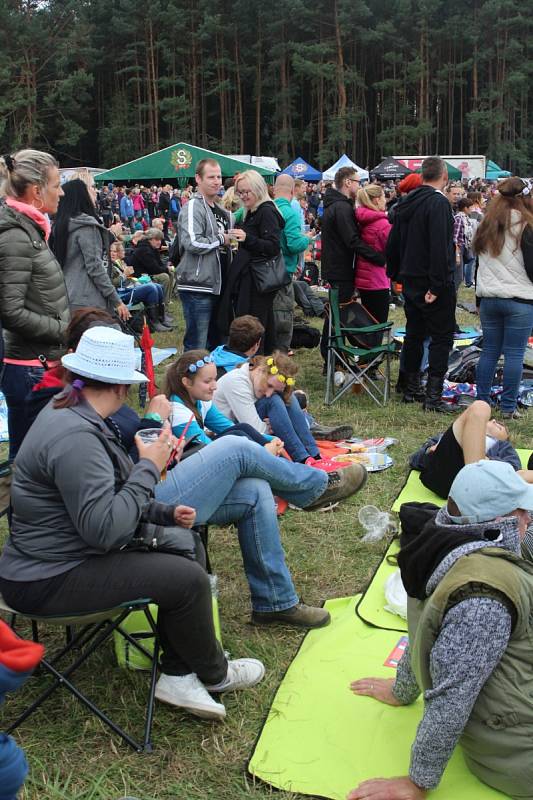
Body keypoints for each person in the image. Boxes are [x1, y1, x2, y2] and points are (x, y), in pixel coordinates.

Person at [0, 325, 266, 722]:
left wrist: (163, 513)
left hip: (53, 559)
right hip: (46, 577)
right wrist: (148, 467)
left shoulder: (70, 410)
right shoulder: (76, 435)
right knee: (185, 578)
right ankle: (214, 673)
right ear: (122, 387)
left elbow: (106, 495)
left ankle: (178, 673)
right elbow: (106, 530)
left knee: (183, 540)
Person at [348, 459, 533, 800]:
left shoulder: (438, 537)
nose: (529, 518)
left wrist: (403, 688)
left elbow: (422, 629)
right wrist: (418, 782)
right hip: (518, 746)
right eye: (522, 511)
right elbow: (453, 697)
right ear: (499, 523)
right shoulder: (482, 601)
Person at [0, 149, 70, 460]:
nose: (62, 191)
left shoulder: (31, 230)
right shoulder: (16, 235)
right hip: (31, 370)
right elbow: (10, 311)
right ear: (35, 191)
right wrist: (62, 330)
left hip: (41, 365)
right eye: (57, 184)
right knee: (31, 471)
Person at [211, 315, 354, 442]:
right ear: (257, 344)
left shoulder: (216, 357)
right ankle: (308, 426)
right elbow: (255, 411)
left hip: (231, 417)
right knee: (287, 400)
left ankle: (309, 425)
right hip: (238, 421)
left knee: (289, 397)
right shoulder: (238, 374)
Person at [386, 156, 457, 413]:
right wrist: (437, 286)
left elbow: (392, 243)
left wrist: (395, 273)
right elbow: (440, 247)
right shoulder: (437, 203)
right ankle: (432, 397)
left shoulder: (407, 203)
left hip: (411, 279)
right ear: (444, 177)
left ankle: (411, 389)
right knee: (440, 337)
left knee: (415, 335)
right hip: (431, 281)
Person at [473, 176, 533, 420]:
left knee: (489, 352)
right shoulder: (526, 226)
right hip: (519, 297)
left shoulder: (485, 224)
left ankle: (481, 403)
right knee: (514, 354)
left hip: (489, 297)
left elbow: (478, 265)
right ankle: (508, 407)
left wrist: (478, 299)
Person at [214, 351, 330, 466]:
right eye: (269, 385)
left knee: (289, 398)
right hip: (226, 434)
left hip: (243, 426)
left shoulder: (256, 378)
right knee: (273, 400)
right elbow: (255, 430)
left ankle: (314, 454)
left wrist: (278, 419)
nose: (268, 393)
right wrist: (276, 422)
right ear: (260, 370)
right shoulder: (237, 382)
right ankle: (302, 458)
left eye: (274, 389)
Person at [319, 167, 386, 365]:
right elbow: (352, 240)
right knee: (337, 317)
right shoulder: (341, 208)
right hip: (340, 269)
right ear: (348, 182)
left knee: (336, 315)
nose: (360, 186)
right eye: (358, 182)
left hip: (338, 268)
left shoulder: (338, 205)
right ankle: (332, 358)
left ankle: (334, 357)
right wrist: (378, 257)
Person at [218, 170, 285, 354]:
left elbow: (273, 246)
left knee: (253, 327)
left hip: (257, 280)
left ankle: (256, 364)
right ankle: (256, 363)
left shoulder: (267, 212)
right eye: (240, 192)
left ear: (258, 189)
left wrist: (247, 238)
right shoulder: (253, 211)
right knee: (255, 324)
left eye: (247, 191)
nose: (243, 196)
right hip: (250, 278)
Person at [49, 179, 131, 323]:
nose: (95, 191)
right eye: (91, 188)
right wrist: (116, 301)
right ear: (81, 195)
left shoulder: (61, 226)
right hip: (88, 299)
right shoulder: (86, 226)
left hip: (66, 295)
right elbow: (95, 268)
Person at [411, 400, 522, 499]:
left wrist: (487, 459)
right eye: (492, 420)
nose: (494, 421)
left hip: (474, 484)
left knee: (481, 406)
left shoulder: (502, 446)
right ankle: (473, 481)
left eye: (500, 426)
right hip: (442, 476)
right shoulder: (454, 437)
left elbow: (514, 469)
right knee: (480, 407)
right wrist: (430, 450)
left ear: (504, 439)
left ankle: (473, 479)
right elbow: (414, 460)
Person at [175, 159, 231, 351]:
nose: (216, 181)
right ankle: (187, 380)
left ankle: (210, 380)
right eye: (211, 177)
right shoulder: (193, 207)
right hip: (197, 286)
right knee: (196, 346)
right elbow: (192, 242)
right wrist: (222, 239)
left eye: (219, 177)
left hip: (218, 285)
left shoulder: (222, 211)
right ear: (198, 179)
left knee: (216, 343)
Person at [273, 175, 312, 351]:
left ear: (274, 190)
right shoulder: (290, 213)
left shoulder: (265, 208)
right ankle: (280, 357)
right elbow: (294, 245)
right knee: (282, 317)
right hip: (282, 274)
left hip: (262, 273)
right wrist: (307, 239)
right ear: (292, 191)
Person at [109, 241, 170, 333]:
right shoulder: (108, 266)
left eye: (115, 251)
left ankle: (161, 318)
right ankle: (154, 322)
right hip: (119, 295)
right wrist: (124, 275)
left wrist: (128, 274)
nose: (113, 254)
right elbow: (111, 284)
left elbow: (126, 279)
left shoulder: (117, 264)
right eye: (111, 251)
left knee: (158, 286)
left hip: (128, 288)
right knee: (151, 288)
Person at [354, 184, 392, 325]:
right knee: (379, 323)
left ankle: (366, 346)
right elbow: (393, 248)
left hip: (363, 277)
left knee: (368, 321)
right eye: (383, 197)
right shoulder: (382, 224)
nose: (385, 200)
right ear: (376, 200)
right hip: (378, 279)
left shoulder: (362, 219)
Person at [128, 228, 173, 309]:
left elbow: (159, 265)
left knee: (170, 273)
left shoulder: (153, 248)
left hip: (148, 274)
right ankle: (162, 304)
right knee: (164, 277)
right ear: (149, 239)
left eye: (160, 240)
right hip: (140, 277)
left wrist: (166, 268)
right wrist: (166, 269)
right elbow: (154, 269)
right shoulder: (144, 250)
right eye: (156, 239)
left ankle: (166, 301)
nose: (159, 242)